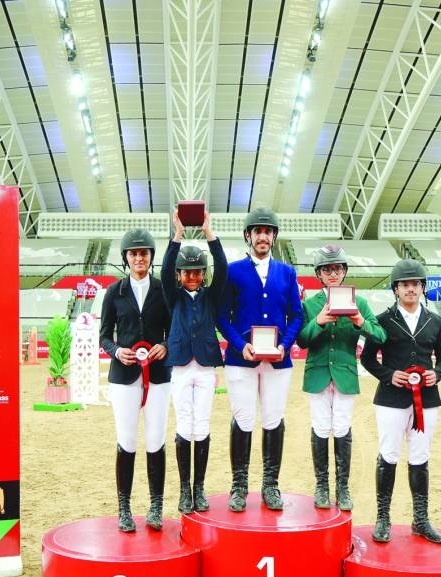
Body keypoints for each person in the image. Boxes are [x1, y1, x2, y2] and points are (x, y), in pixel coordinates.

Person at [217, 207, 304, 512]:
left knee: (273, 419)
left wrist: (285, 344)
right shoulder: (233, 270)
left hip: (277, 361)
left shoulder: (287, 272)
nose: (263, 236)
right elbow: (222, 316)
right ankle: (239, 486)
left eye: (268, 232)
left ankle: (270, 485)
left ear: (273, 237)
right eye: (258, 231)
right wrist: (240, 345)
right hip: (242, 360)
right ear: (249, 236)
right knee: (243, 419)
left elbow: (297, 314)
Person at [361, 258, 441, 544]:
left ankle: (421, 520)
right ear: (396, 289)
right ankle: (383, 517)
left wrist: (436, 373)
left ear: (422, 288)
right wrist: (389, 375)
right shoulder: (383, 320)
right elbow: (367, 358)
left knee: (420, 457)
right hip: (391, 400)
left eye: (415, 284)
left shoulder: (435, 321)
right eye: (405, 285)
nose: (411, 289)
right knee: (388, 454)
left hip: (426, 400)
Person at [297, 244, 386, 510]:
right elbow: (301, 340)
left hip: (345, 374)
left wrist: (361, 322)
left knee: (343, 427)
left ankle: (342, 487)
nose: (333, 273)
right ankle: (322, 485)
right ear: (319, 274)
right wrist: (319, 321)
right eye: (327, 269)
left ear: (344, 271)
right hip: (318, 372)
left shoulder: (359, 303)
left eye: (337, 268)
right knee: (321, 427)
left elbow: (380, 336)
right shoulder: (310, 305)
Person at [100, 229, 170, 532]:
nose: (139, 258)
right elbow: (104, 335)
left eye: (144, 253)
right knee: (127, 440)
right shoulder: (113, 293)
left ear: (151, 257)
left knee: (156, 439)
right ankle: (124, 508)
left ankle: (156, 506)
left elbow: (175, 331)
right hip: (124, 376)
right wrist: (117, 351)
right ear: (126, 258)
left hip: (158, 375)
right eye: (134, 253)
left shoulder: (164, 290)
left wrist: (166, 346)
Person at [160, 212, 227, 515]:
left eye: (197, 272)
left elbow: (223, 269)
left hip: (206, 366)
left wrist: (208, 234)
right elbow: (163, 271)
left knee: (202, 424)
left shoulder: (211, 297)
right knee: (184, 424)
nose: (192, 276)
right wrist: (178, 234)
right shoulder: (172, 297)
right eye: (186, 272)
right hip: (180, 367)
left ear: (203, 274)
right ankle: (184, 489)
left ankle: (199, 488)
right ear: (179, 275)